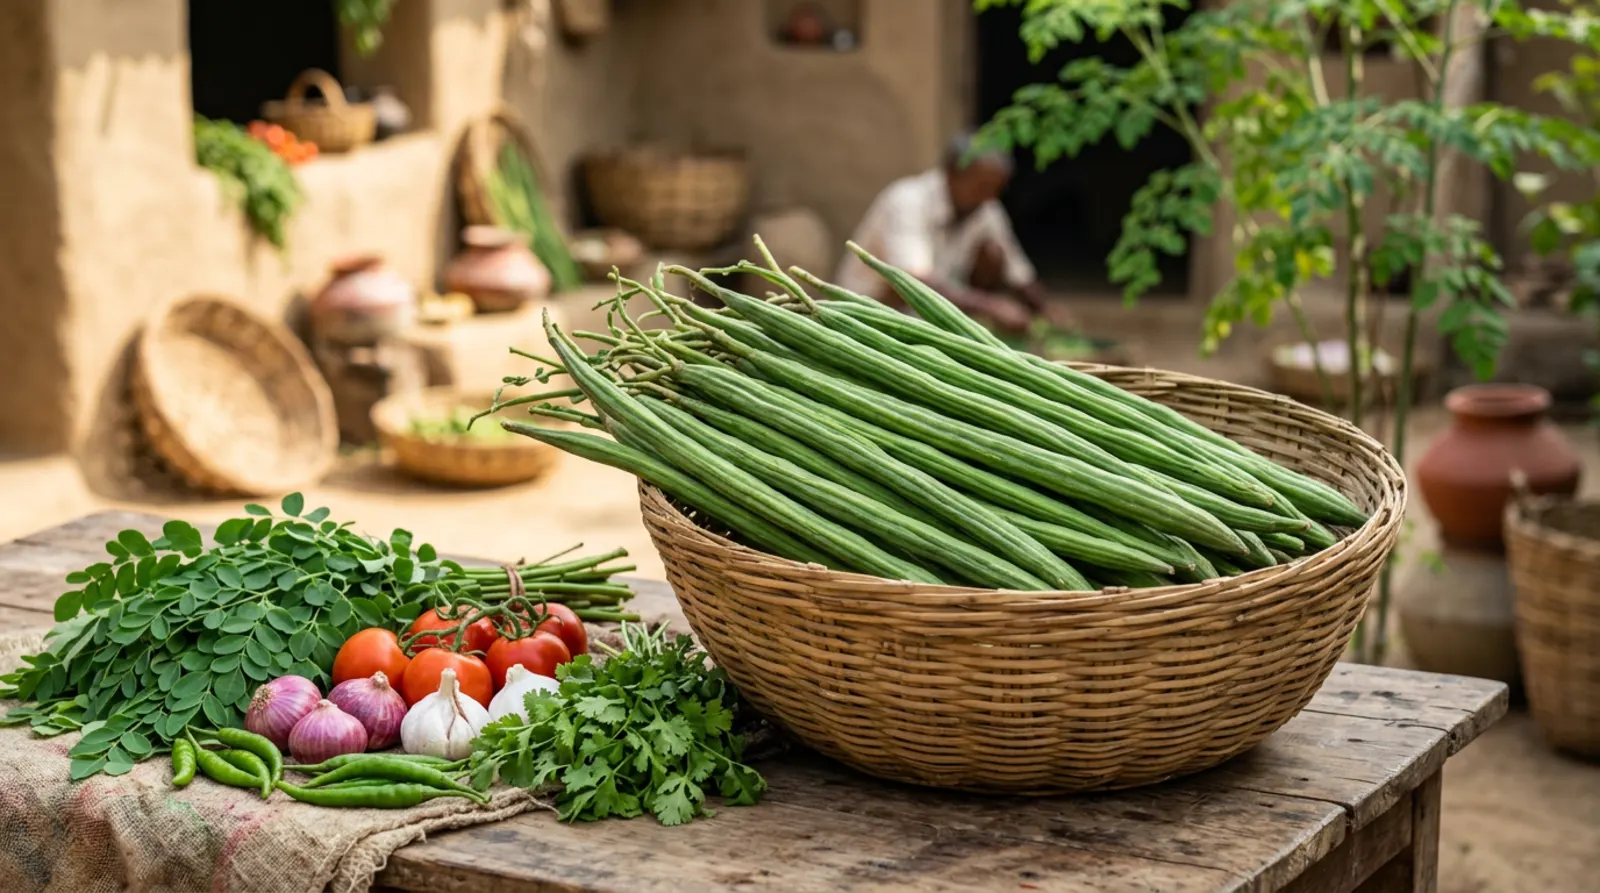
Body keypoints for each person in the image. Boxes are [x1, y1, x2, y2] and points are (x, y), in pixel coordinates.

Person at [834, 133, 1072, 334]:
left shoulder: (985, 208)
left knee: (993, 252)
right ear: (951, 173)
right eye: (980, 187)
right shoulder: (907, 200)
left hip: (927, 312)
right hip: (870, 309)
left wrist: (1046, 309)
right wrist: (991, 307)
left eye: (995, 190)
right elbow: (915, 283)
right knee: (900, 285)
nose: (988, 197)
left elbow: (1017, 271)